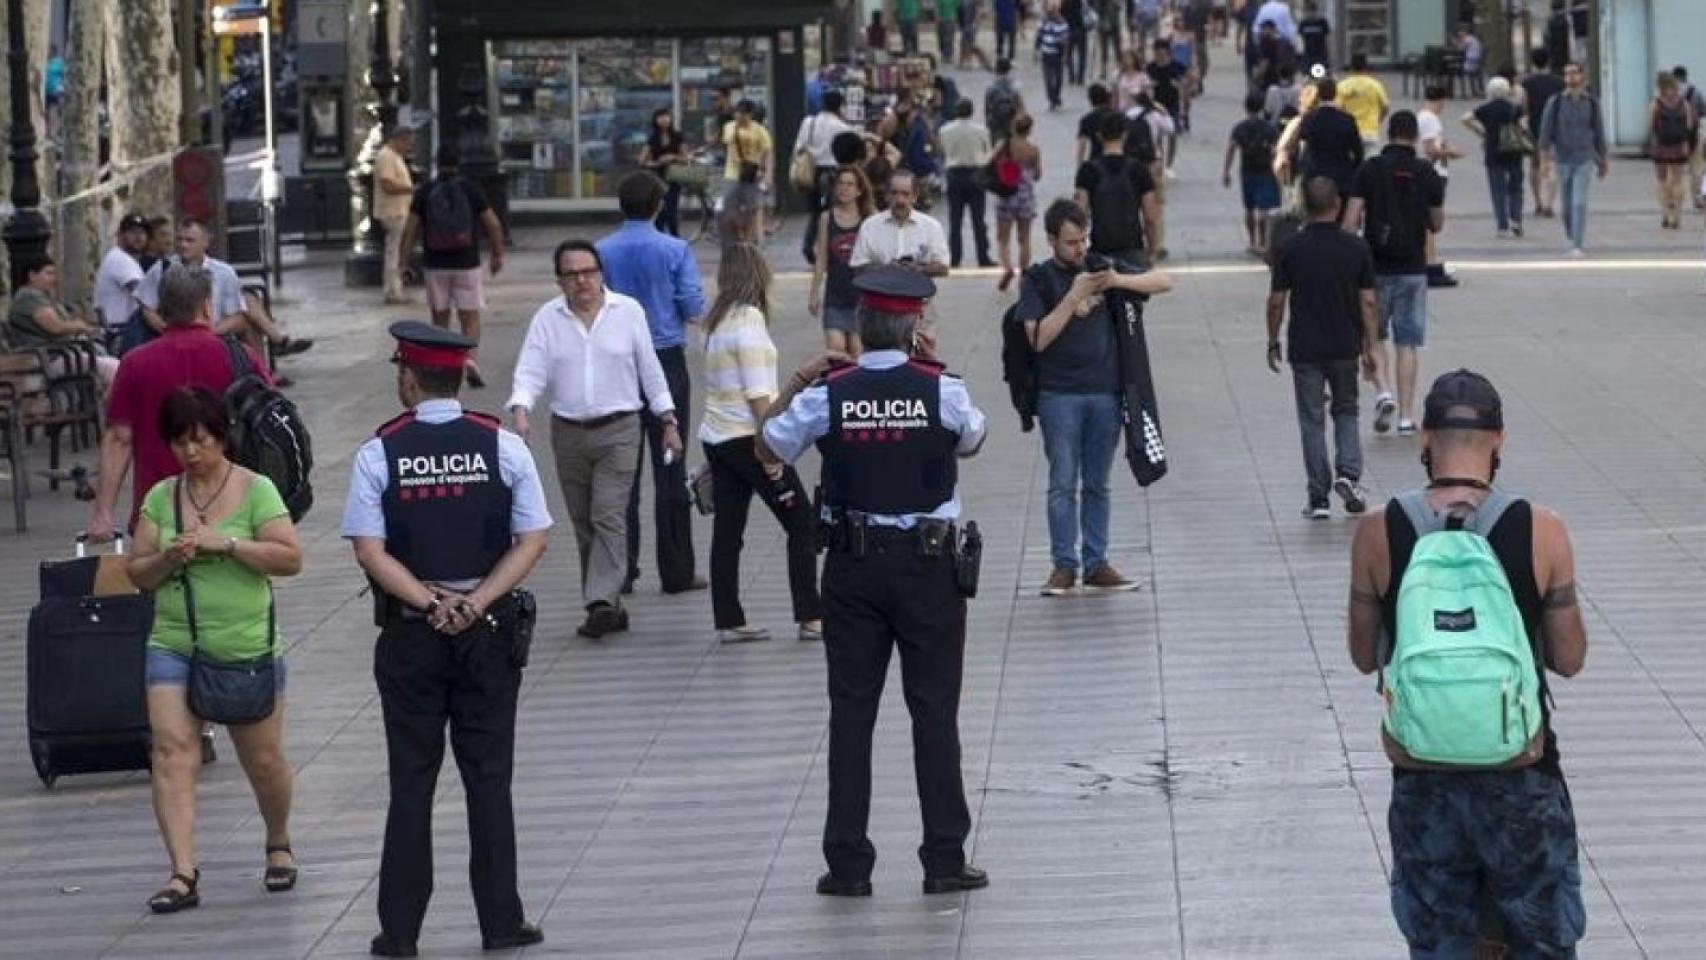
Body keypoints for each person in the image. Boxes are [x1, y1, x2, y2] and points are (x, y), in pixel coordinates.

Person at [756, 265, 990, 900]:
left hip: (854, 569)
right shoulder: (942, 389)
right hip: (929, 567)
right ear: (914, 326)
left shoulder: (827, 393)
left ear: (859, 326)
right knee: (935, 712)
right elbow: (972, 440)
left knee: (852, 714)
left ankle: (849, 864)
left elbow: (768, 447)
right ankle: (944, 857)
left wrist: (803, 376)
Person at [1348, 370, 1588, 960]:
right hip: (1522, 776)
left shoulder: (1380, 529)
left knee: (1440, 943)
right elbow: (1568, 659)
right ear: (1499, 439)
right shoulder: (1543, 528)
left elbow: (1362, 656)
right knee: (1540, 937)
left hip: (1423, 775)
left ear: (1425, 438)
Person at [344, 321, 552, 957]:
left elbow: (369, 550)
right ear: (459, 375)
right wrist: (477, 602)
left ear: (408, 376)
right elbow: (533, 538)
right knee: (488, 778)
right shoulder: (503, 445)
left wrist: (429, 601)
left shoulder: (380, 452)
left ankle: (401, 931)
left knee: (412, 778)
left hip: (412, 634)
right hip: (487, 633)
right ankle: (500, 921)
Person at [126, 385, 302, 915]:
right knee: (172, 751)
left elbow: (290, 558)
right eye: (179, 443)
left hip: (244, 643)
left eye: (200, 440)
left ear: (222, 436)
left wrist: (225, 543)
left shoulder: (256, 490)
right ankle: (182, 872)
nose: (191, 452)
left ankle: (278, 841)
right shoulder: (161, 498)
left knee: (263, 759)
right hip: (174, 641)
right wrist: (170, 559)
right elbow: (137, 573)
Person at [507, 241, 681, 640]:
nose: (582, 281)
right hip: (567, 431)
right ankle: (608, 605)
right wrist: (521, 409)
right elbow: (531, 370)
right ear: (560, 281)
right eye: (572, 274)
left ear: (602, 274)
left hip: (620, 428)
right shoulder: (547, 319)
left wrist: (667, 418)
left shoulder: (628, 312)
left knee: (608, 514)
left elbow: (649, 369)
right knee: (584, 521)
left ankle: (600, 601)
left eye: (588, 271)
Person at [1016, 199, 1171, 596]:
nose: (1080, 249)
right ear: (1051, 240)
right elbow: (1037, 338)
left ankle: (1096, 561)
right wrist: (1072, 299)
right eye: (1071, 242)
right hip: (1058, 396)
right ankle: (1063, 564)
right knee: (1062, 482)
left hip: (1105, 392)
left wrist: (1115, 280)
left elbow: (1163, 281)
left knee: (1098, 483)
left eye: (1084, 239)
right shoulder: (1037, 279)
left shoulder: (1101, 266)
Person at [89, 265, 274, 541]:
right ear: (207, 306)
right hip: (235, 511)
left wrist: (103, 513)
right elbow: (270, 421)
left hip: (160, 514)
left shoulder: (135, 363)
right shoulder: (241, 357)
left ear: (161, 310)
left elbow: (119, 438)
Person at [696, 244, 823, 644]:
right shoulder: (749, 321)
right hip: (750, 440)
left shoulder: (715, 323)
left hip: (718, 439)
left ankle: (729, 618)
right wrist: (773, 451)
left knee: (728, 532)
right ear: (759, 275)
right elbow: (759, 396)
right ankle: (811, 615)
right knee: (802, 523)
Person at [596, 172, 708, 598]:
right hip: (664, 359)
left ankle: (621, 570)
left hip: (618, 362)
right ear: (659, 206)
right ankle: (676, 569)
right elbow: (692, 305)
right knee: (670, 463)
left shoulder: (602, 252)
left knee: (621, 468)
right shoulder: (675, 249)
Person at [1266, 177, 1378, 519]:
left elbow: (1276, 301)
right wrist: (1371, 347)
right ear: (1337, 205)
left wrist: (1272, 340)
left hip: (1305, 347)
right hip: (1345, 345)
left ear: (1305, 206)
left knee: (1312, 420)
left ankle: (1318, 498)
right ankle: (1348, 474)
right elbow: (1369, 301)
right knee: (1346, 410)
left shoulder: (1289, 248)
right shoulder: (1356, 248)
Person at [1344, 112, 1446, 438]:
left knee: (1373, 338)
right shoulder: (1427, 171)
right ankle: (1405, 417)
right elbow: (1437, 223)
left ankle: (1383, 391)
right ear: (1415, 136)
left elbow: (1351, 221)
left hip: (1375, 268)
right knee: (1408, 344)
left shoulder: (1370, 169)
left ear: (1389, 134)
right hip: (1413, 269)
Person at [398, 144, 505, 387]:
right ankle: (470, 362)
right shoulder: (470, 189)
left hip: (435, 264)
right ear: (460, 162)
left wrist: (402, 262)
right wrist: (497, 255)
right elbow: (494, 224)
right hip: (467, 263)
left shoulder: (426, 191)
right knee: (470, 317)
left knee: (440, 317)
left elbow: (410, 229)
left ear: (436, 162)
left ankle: (443, 365)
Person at [137, 219, 312, 365]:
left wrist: (208, 332)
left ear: (205, 242)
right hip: (174, 333)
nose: (183, 245)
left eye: (190, 240)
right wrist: (165, 328)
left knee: (247, 317)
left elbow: (235, 316)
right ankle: (272, 356)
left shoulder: (223, 272)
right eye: (180, 240)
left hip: (214, 332)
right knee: (249, 308)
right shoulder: (162, 269)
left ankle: (261, 374)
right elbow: (147, 307)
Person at [6, 255, 119, 386]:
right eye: (48, 273)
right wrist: (78, 326)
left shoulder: (41, 297)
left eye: (54, 274)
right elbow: (56, 327)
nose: (53, 279)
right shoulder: (29, 298)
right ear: (32, 275)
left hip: (61, 353)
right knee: (114, 368)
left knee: (110, 362)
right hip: (51, 357)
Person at [1538, 61, 1608, 255]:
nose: (1570, 78)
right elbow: (1546, 132)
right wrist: (1544, 160)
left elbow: (1598, 131)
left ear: (1582, 76)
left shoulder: (1591, 102)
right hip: (1562, 158)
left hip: (1584, 157)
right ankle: (1572, 231)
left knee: (1579, 202)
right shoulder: (1556, 102)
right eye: (1566, 74)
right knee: (1567, 206)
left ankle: (1577, 244)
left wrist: (1603, 159)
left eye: (1574, 73)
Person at [1074, 110, 1161, 265]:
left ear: (1099, 136)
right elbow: (1150, 217)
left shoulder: (1088, 170)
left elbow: (1080, 213)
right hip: (1133, 248)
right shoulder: (1139, 169)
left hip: (1100, 249)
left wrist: (1079, 250)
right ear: (1125, 135)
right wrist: (1152, 250)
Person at [812, 166, 878, 354]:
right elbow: (821, 258)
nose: (844, 188)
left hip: (863, 298)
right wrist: (814, 292)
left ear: (859, 190)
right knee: (836, 349)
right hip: (835, 296)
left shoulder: (870, 217)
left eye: (850, 184)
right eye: (840, 183)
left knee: (858, 350)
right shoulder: (827, 218)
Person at [850, 169, 950, 276]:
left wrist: (916, 269)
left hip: (917, 291)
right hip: (879, 290)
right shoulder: (870, 226)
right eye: (894, 193)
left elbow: (943, 267)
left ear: (915, 197)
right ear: (887, 195)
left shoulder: (931, 227)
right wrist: (887, 269)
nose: (900, 200)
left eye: (906, 194)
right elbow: (857, 266)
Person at [794, 90, 855, 265]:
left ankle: (808, 246)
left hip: (811, 173)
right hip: (832, 174)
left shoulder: (809, 122)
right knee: (832, 213)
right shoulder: (842, 127)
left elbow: (799, 147)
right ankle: (830, 249)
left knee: (815, 213)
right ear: (840, 106)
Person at [1463, 76, 1528, 237]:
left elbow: (1465, 118)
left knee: (1497, 189)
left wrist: (1481, 132)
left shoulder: (1485, 109)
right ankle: (1516, 219)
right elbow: (1524, 126)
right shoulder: (1515, 107)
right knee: (1515, 188)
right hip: (1514, 150)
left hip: (1493, 151)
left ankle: (1502, 225)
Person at [1417, 85, 1466, 287]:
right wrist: (1451, 153)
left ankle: (1429, 261)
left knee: (1427, 221)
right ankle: (1429, 263)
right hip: (1434, 172)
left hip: (1432, 171)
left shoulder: (1423, 117)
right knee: (1430, 221)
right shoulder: (1430, 119)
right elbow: (1430, 149)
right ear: (1442, 100)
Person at [939, 99, 995, 269]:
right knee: (978, 219)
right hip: (976, 175)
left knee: (955, 219)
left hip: (954, 175)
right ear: (971, 111)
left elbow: (943, 150)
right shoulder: (981, 130)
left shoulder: (945, 130)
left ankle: (954, 258)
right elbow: (988, 152)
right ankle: (983, 256)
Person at [1224, 92, 1282, 256]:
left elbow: (1231, 149)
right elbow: (1277, 149)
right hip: (1266, 171)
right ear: (1262, 107)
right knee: (1264, 209)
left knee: (1249, 208)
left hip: (1247, 171)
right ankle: (1263, 241)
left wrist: (1226, 172)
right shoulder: (1269, 128)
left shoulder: (1239, 128)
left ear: (1246, 108)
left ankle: (1252, 241)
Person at [994, 114, 1042, 292]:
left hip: (1006, 194)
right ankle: (1024, 273)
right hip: (1025, 196)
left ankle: (1007, 268)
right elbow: (1037, 174)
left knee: (1003, 238)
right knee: (1024, 238)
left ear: (1013, 128)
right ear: (1029, 129)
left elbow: (991, 163)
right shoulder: (1033, 149)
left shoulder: (1004, 146)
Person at [1296, 78, 1364, 202]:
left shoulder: (1310, 118)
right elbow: (1358, 151)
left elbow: (1303, 144)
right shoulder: (1347, 119)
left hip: (1316, 174)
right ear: (1335, 93)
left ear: (1318, 94)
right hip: (1342, 175)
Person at [723, 99, 776, 245]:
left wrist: (768, 174)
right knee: (729, 210)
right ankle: (740, 232)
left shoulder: (759, 130)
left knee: (752, 209)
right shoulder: (729, 127)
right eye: (738, 112)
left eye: (744, 113)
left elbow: (768, 152)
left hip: (751, 175)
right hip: (732, 174)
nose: (740, 116)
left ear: (751, 114)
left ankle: (747, 240)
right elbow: (729, 145)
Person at [374, 124, 417, 304]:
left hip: (400, 209)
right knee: (394, 251)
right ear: (400, 139)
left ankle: (394, 288)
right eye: (408, 143)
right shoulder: (386, 157)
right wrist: (410, 189)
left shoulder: (395, 157)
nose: (409, 147)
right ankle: (392, 291)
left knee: (396, 251)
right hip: (393, 211)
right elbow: (387, 184)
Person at [95, 213, 150, 350]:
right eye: (132, 232)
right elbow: (143, 297)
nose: (138, 237)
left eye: (142, 232)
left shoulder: (125, 259)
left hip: (123, 329)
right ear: (119, 235)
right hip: (121, 331)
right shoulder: (120, 259)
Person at [1520, 49, 1565, 219]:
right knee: (1551, 165)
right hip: (1555, 127)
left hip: (1535, 126)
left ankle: (1538, 201)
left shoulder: (1527, 83)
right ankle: (1550, 203)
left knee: (1535, 165)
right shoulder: (1558, 82)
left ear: (1532, 62)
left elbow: (1524, 106)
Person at [1649, 72, 1696, 230]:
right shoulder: (1684, 104)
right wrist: (1688, 144)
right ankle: (1677, 215)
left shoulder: (1655, 103)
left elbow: (1650, 125)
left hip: (1661, 147)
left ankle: (1664, 214)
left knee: (1662, 181)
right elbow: (1689, 127)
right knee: (1678, 180)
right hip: (1679, 147)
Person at [640, 108, 689, 238]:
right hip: (657, 178)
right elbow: (642, 161)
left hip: (674, 178)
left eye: (666, 116)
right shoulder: (652, 138)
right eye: (660, 117)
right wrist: (656, 163)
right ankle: (659, 238)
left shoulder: (677, 136)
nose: (664, 120)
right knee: (659, 213)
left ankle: (675, 239)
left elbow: (685, 158)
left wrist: (672, 157)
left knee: (671, 212)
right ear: (655, 120)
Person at [1337, 53, 1389, 151]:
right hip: (1370, 132)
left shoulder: (1342, 86)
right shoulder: (1375, 85)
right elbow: (1385, 107)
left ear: (1351, 67)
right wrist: (1378, 120)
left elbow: (1338, 109)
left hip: (1349, 132)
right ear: (1366, 67)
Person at [1674, 66, 1706, 209]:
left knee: (1676, 170)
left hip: (1674, 138)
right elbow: (1703, 111)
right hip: (1693, 134)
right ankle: (1697, 199)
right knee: (1696, 168)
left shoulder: (1669, 94)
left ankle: (1675, 200)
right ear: (1686, 76)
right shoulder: (1695, 91)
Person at [1166, 14, 1199, 133]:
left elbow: (1193, 53)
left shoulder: (1190, 36)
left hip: (1186, 69)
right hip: (1175, 69)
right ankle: (1178, 118)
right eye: (1178, 21)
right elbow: (1167, 52)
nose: (1180, 23)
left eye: (1182, 20)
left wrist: (1194, 69)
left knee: (1186, 97)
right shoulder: (1171, 36)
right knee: (1178, 95)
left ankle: (1186, 115)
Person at [1037, 1, 1070, 111]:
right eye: (1050, 11)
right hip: (1046, 53)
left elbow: (1065, 41)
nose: (1051, 13)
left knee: (1058, 78)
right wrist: (1037, 49)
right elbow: (1039, 35)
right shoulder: (1044, 21)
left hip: (1057, 55)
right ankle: (1052, 99)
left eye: (1053, 11)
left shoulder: (1062, 23)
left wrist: (1065, 55)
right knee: (1048, 79)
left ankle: (1056, 96)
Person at [984, 57, 1027, 142]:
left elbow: (987, 106)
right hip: (1011, 120)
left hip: (995, 121)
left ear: (997, 70)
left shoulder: (990, 86)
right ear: (1009, 70)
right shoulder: (1015, 85)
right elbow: (1020, 104)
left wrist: (987, 122)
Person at [1076, 83, 1120, 165]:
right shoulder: (1119, 116)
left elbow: (1082, 145)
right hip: (1118, 158)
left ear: (1091, 100)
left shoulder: (1087, 119)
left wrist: (1080, 166)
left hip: (1096, 160)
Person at [1295, 0, 1330, 73]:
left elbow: (1328, 39)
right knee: (1306, 73)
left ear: (1315, 11)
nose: (1310, 14)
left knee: (1321, 73)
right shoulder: (1303, 24)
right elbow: (1300, 39)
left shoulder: (1322, 23)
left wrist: (1328, 54)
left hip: (1321, 54)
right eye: (1308, 11)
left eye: (1311, 11)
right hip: (1308, 55)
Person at [1094, 0, 1123, 79]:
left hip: (1114, 24)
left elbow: (1120, 7)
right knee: (1104, 49)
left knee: (1117, 49)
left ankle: (1120, 69)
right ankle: (1103, 71)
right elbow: (1096, 8)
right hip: (1103, 25)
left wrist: (1114, 3)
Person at [1063, 0, 1089, 86]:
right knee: (1082, 55)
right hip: (1081, 29)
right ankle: (1080, 78)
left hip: (1069, 28)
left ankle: (1071, 76)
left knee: (1069, 54)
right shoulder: (1082, 1)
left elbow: (1063, 13)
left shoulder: (1066, 2)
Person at [1457, 25, 1485, 95]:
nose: (1459, 34)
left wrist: (1457, 42)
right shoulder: (1473, 39)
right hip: (1477, 60)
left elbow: (1461, 48)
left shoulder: (1468, 39)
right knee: (1474, 74)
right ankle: (1476, 90)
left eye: (1461, 32)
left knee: (1461, 71)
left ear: (1464, 32)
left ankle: (1465, 92)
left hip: (1471, 60)